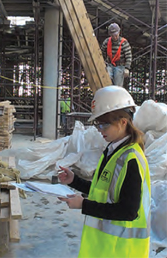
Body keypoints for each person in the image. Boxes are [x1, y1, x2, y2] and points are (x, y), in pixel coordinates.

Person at [58, 86, 151, 258]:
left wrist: (83, 205)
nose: (99, 130)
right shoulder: (112, 150)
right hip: (104, 248)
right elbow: (101, 191)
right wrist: (74, 181)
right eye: (97, 124)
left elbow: (128, 211)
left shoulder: (131, 159)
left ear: (123, 122)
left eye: (104, 125)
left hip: (122, 250)